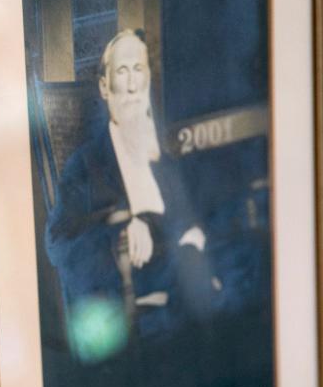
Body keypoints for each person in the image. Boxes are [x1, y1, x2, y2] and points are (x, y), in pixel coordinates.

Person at [45, 30, 214, 343]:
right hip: (139, 301)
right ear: (105, 87)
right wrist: (119, 234)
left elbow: (204, 210)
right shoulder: (86, 164)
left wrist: (197, 237)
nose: (134, 83)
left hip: (195, 282)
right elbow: (59, 243)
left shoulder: (168, 150)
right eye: (123, 71)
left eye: (139, 69)